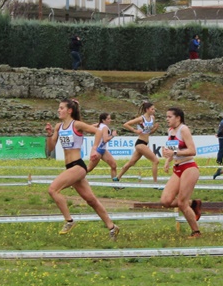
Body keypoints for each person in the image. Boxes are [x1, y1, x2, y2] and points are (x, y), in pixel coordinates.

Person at [45, 99, 120, 239]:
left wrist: (94, 149)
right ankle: (112, 227)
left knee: (53, 189)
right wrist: (49, 134)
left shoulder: (76, 124)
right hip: (70, 166)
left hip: (78, 166)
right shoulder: (58, 127)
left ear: (69, 110)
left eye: (61, 108)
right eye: (58, 108)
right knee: (91, 200)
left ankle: (69, 221)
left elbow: (98, 132)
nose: (58, 110)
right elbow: (50, 149)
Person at [159, 107, 203, 237]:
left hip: (189, 167)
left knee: (181, 203)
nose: (167, 119)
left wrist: (174, 153)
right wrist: (168, 160)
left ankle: (196, 232)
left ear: (178, 118)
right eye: (166, 117)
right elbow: (172, 149)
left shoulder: (184, 129)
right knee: (166, 201)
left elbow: (192, 150)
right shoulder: (171, 130)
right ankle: (193, 204)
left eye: (169, 117)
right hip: (177, 168)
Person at [119, 101, 160, 182]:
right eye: (152, 109)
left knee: (131, 162)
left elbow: (149, 132)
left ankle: (118, 177)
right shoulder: (141, 118)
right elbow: (126, 124)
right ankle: (155, 183)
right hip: (140, 143)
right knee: (156, 161)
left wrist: (155, 128)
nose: (154, 111)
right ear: (147, 109)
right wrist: (135, 130)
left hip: (144, 143)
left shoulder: (152, 118)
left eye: (154, 109)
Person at [86, 112, 119, 180]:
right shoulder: (104, 127)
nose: (110, 120)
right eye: (108, 119)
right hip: (98, 151)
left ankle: (116, 185)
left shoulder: (99, 125)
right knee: (88, 169)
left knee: (113, 165)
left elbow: (89, 127)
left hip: (103, 150)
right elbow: (105, 139)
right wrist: (113, 135)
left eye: (110, 118)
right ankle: (73, 181)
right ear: (103, 120)